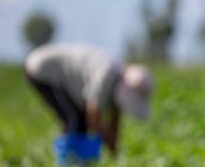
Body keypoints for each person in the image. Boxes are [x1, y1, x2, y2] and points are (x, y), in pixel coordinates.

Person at [24, 43, 152, 155]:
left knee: (79, 121)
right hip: (41, 69)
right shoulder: (106, 74)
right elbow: (92, 118)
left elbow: (114, 117)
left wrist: (113, 148)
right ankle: (69, 163)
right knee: (74, 119)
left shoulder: (117, 78)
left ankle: (78, 162)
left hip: (63, 76)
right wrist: (110, 144)